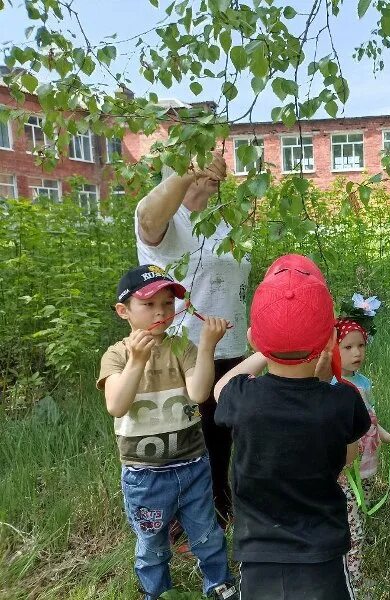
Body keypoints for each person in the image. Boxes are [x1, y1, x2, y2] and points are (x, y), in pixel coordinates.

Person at [214, 255, 371, 600]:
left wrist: (263, 350)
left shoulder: (242, 399)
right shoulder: (342, 402)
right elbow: (347, 457)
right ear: (331, 340)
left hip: (258, 558)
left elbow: (220, 387)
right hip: (323, 557)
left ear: (255, 341)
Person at [96, 265, 237, 600]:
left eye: (168, 303)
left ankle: (219, 586)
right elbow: (117, 405)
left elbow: (200, 393)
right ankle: (156, 592)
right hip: (145, 475)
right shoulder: (117, 355)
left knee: (207, 534)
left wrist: (206, 347)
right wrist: (137, 361)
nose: (161, 311)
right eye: (148, 304)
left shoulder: (181, 347)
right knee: (152, 542)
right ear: (123, 311)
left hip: (192, 465)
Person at [136, 152, 251, 542]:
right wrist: (188, 174)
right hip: (184, 351)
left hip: (231, 346)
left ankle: (218, 511)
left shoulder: (223, 221)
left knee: (222, 440)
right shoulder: (169, 216)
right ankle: (177, 529)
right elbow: (149, 219)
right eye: (204, 161)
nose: (216, 167)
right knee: (184, 444)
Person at [334, 294, 390, 594]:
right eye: (347, 347)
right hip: (345, 474)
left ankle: (347, 573)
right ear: (333, 350)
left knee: (357, 521)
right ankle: (354, 583)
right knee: (354, 533)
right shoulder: (336, 388)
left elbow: (371, 420)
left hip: (367, 469)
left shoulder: (363, 383)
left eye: (360, 345)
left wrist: (387, 436)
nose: (356, 352)